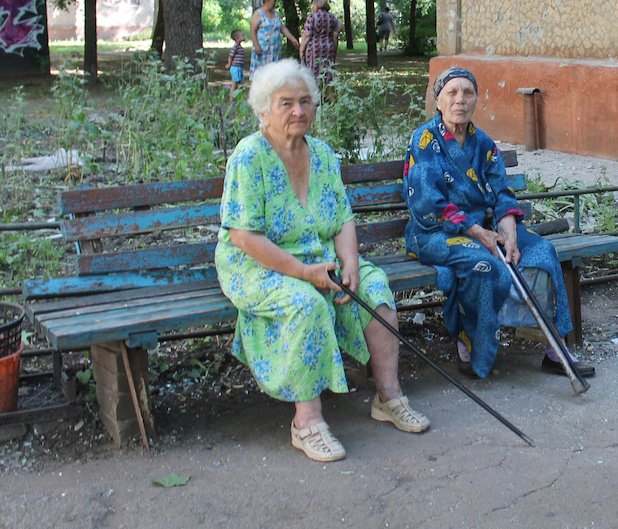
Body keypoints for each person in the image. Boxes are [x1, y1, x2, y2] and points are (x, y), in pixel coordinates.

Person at [215, 59, 430, 462]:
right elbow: (242, 235)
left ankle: (389, 397)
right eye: (286, 103)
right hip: (259, 264)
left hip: (319, 257)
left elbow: (343, 217)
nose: (298, 111)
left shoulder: (323, 155)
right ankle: (307, 423)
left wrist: (349, 261)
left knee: (375, 288)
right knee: (307, 303)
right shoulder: (249, 156)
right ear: (264, 109)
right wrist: (302, 273)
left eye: (305, 101)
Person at [402, 67, 597, 380]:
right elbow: (430, 203)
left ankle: (556, 348)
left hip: (487, 226)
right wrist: (481, 234)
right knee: (484, 263)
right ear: (438, 101)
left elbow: (502, 195)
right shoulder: (425, 140)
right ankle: (470, 341)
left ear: (476, 99)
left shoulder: (484, 144)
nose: (460, 100)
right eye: (452, 93)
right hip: (435, 231)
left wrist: (510, 236)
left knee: (542, 251)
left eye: (468, 92)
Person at [249, 0, 300, 79]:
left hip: (274, 52)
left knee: (274, 76)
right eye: (273, 1)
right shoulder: (258, 14)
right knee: (261, 76)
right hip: (262, 52)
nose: (275, 3)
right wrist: (256, 46)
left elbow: (282, 28)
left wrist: (292, 39)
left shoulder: (276, 14)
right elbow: (252, 31)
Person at [299, 0, 342, 86]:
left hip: (315, 49)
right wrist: (334, 48)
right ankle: (331, 97)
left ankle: (316, 96)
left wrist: (301, 50)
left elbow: (307, 35)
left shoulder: (312, 17)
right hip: (329, 48)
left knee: (314, 74)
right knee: (329, 74)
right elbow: (336, 33)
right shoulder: (332, 17)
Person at [225, 29, 246, 101]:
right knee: (235, 82)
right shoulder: (235, 47)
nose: (244, 36)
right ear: (237, 38)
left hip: (240, 67)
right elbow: (230, 55)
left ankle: (239, 97)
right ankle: (231, 98)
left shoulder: (240, 47)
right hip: (235, 67)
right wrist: (229, 64)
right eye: (242, 35)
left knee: (240, 83)